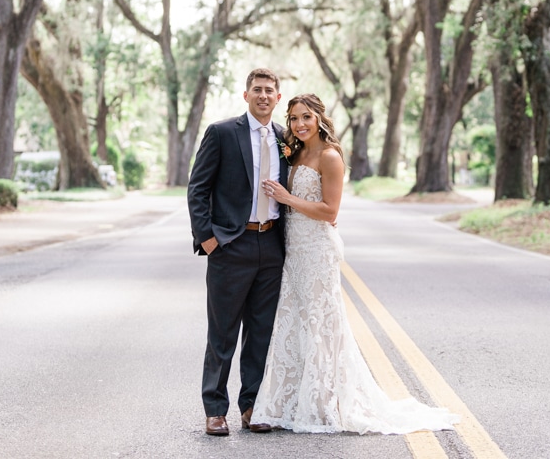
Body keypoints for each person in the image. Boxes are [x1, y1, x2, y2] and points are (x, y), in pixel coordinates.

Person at [251, 93, 460, 434]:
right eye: (293, 119)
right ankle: (293, 402)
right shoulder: (296, 152)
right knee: (297, 322)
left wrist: (288, 198)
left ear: (319, 117)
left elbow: (330, 211)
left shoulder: (331, 157)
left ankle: (325, 404)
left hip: (317, 250)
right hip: (295, 249)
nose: (299, 124)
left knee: (321, 324)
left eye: (305, 117)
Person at [187, 68, 288, 437]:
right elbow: (197, 188)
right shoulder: (221, 133)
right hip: (231, 244)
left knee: (260, 332)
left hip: (271, 245)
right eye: (257, 90)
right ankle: (215, 409)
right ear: (246, 95)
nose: (263, 96)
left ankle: (252, 406)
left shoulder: (284, 138)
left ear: (278, 98)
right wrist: (208, 239)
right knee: (223, 333)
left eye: (269, 91)